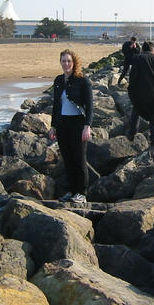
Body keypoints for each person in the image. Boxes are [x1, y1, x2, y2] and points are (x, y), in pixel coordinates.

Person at [49, 49, 93, 203]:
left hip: (78, 124)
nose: (66, 64)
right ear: (60, 62)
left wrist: (87, 126)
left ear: (74, 63)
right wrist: (53, 125)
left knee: (79, 159)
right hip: (62, 124)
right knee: (67, 159)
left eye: (69, 61)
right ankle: (72, 190)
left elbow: (90, 106)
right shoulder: (58, 80)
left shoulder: (83, 81)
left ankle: (82, 192)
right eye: (63, 61)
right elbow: (56, 105)